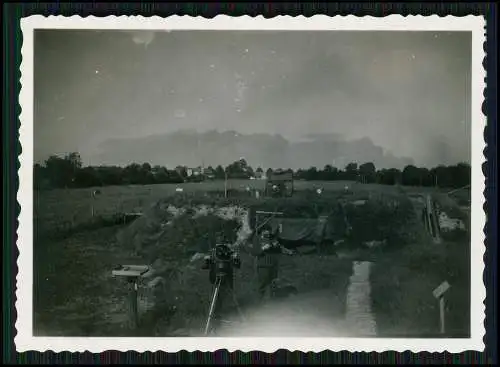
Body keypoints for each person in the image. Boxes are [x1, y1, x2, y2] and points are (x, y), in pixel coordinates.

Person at [253, 224, 294, 301]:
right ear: (262, 231)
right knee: (262, 284)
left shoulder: (272, 238)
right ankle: (258, 302)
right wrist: (263, 248)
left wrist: (288, 251)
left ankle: (273, 301)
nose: (268, 233)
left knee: (273, 283)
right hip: (263, 266)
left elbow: (280, 247)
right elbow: (255, 252)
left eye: (269, 231)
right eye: (266, 231)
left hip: (273, 265)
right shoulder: (257, 238)